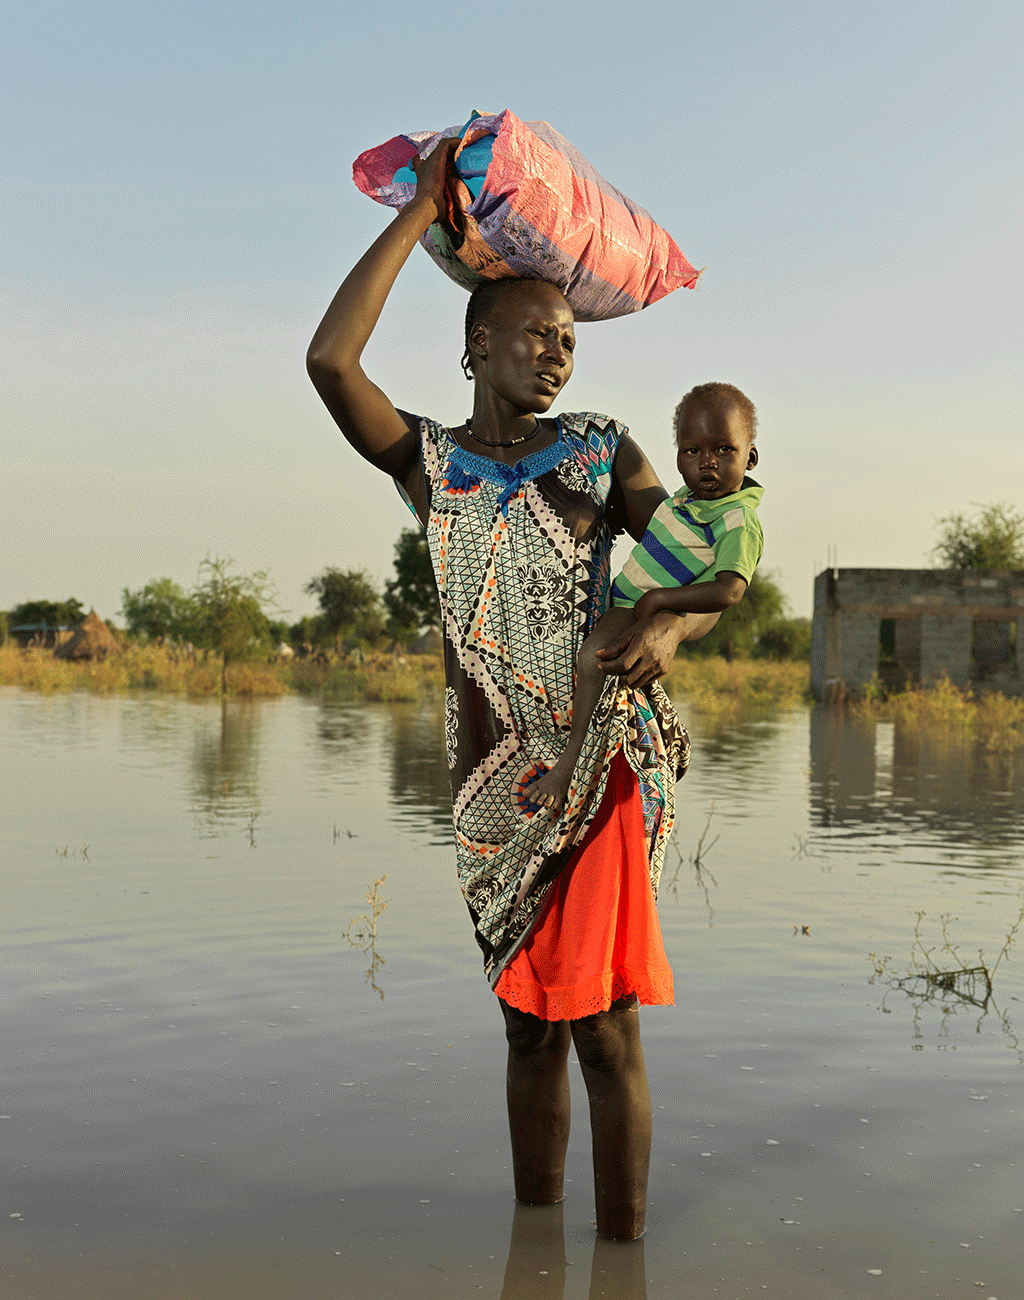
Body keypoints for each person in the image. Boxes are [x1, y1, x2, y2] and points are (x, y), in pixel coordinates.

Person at [306, 138, 720, 1241]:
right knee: (525, 1030)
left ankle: (619, 1252)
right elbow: (330, 362)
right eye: (537, 334)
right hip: (491, 790)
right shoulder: (428, 465)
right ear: (476, 347)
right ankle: (537, 1254)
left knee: (602, 1027)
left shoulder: (596, 451)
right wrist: (422, 209)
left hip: (600, 761)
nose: (558, 355)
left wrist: (664, 630)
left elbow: (698, 566)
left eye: (571, 339)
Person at [529, 382, 763, 813]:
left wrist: (661, 602)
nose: (707, 463)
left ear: (750, 457)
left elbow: (729, 590)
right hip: (626, 602)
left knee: (591, 659)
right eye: (692, 451)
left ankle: (568, 765)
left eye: (724, 450)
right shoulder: (686, 502)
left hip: (634, 610)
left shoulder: (737, 519)